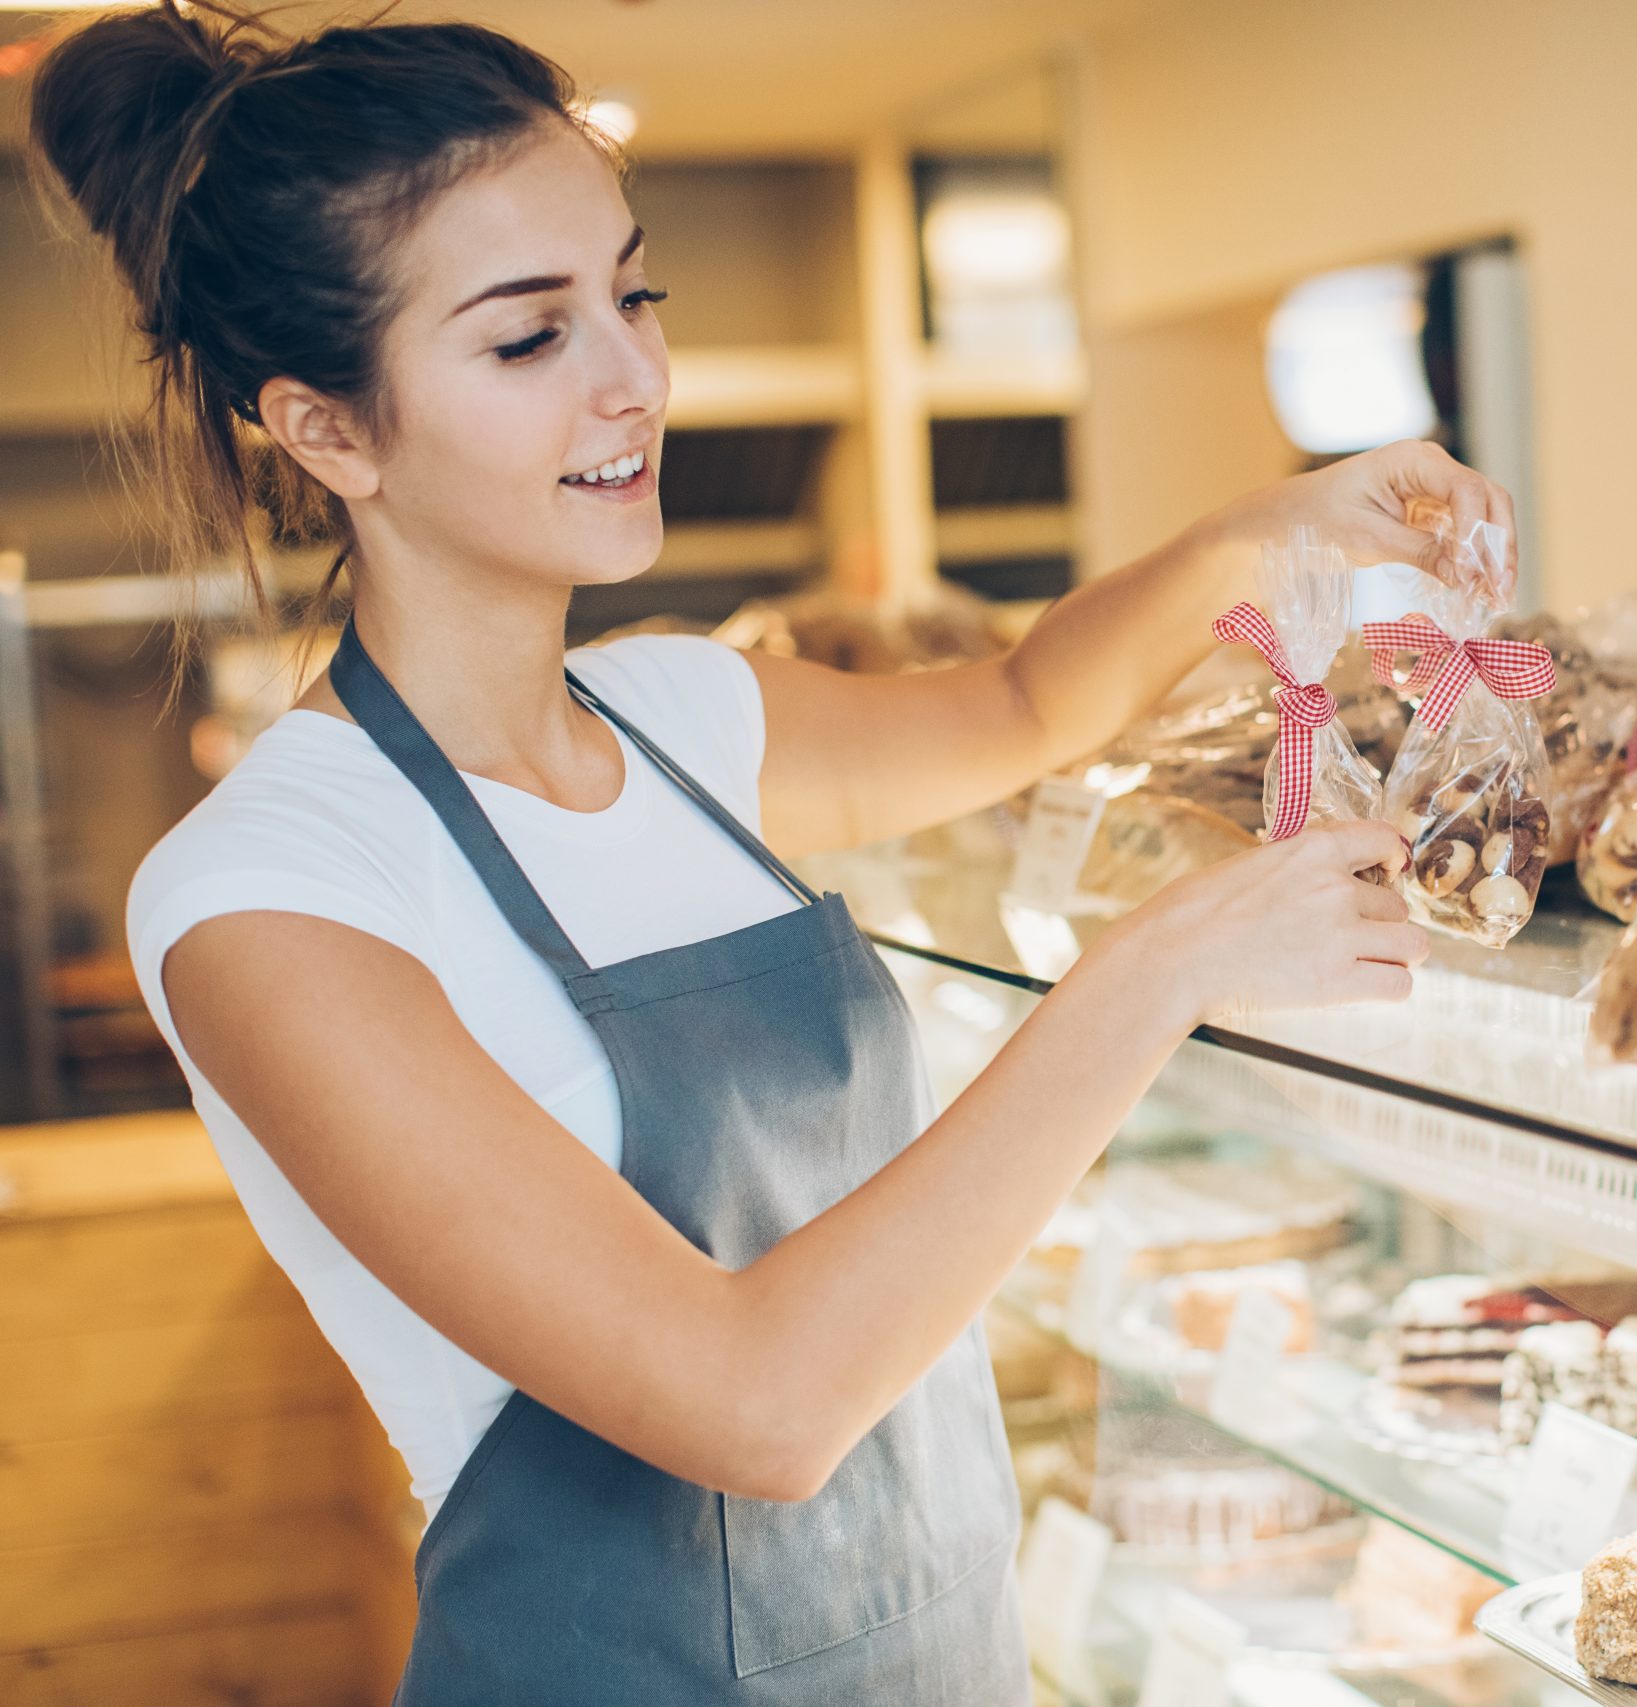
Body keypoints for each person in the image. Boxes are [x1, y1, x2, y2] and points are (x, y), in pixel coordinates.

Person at [32, 5, 1512, 1701]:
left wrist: (1268, 528)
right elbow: (755, 1404)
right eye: (529, 339)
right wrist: (1158, 972)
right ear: (330, 434)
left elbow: (1025, 702)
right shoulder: (269, 892)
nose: (633, 375)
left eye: (632, 294)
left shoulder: (676, 714)